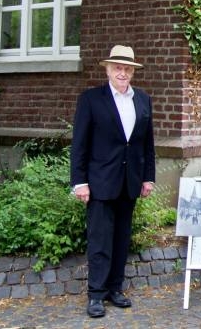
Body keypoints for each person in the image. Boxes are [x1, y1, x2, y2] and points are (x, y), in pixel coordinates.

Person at [70, 45, 156, 318]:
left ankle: (115, 289)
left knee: (121, 239)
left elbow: (147, 145)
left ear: (133, 71)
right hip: (100, 182)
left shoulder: (142, 100)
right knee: (99, 239)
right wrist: (79, 182)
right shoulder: (91, 99)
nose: (123, 72)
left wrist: (148, 177)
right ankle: (96, 294)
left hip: (130, 183)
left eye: (127, 68)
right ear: (107, 69)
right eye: (117, 67)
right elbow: (79, 145)